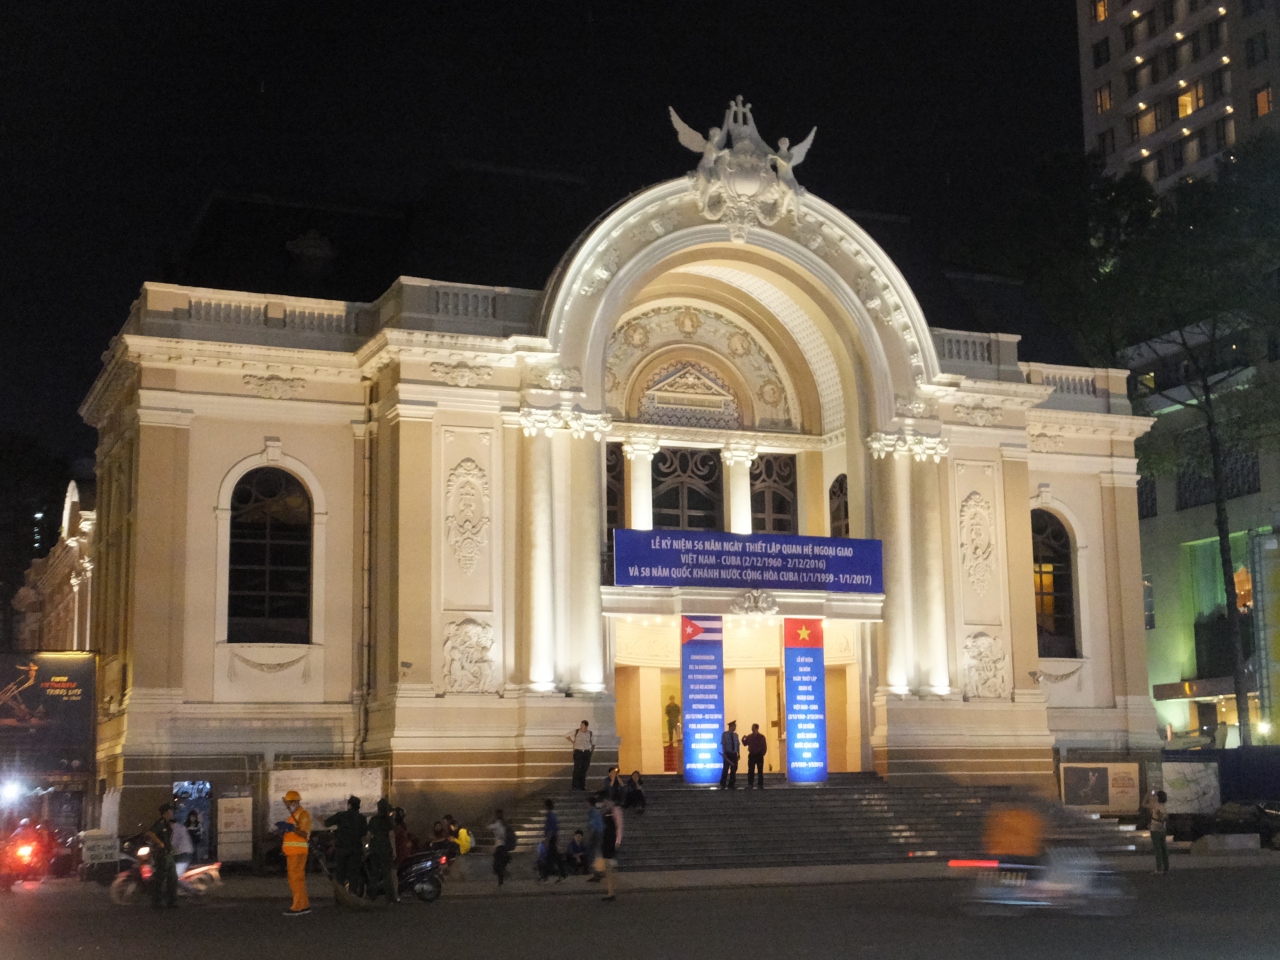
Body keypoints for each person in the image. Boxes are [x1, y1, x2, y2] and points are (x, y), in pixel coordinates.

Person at [278, 790, 312, 916]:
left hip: (298, 852)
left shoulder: (303, 814)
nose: (287, 805)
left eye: (288, 802)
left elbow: (304, 833)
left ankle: (298, 906)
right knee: (297, 879)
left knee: (296, 880)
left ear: (294, 802)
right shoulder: (294, 815)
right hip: (293, 851)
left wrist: (291, 828)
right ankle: (304, 905)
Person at [323, 796, 368, 892]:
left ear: (349, 805)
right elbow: (364, 835)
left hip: (342, 849)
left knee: (340, 874)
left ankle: (340, 895)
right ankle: (352, 896)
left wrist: (316, 818)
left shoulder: (341, 815)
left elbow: (326, 823)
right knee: (354, 875)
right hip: (356, 850)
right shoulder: (362, 818)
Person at [981, 802, 1046, 866]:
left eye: (1016, 833)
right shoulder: (982, 865)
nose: (1009, 840)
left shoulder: (1046, 868)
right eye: (1004, 831)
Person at [145, 803, 179, 908]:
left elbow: (170, 836)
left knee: (172, 878)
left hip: (168, 853)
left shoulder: (168, 824)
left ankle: (171, 901)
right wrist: (161, 844)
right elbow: (151, 833)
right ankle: (157, 902)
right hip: (162, 854)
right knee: (160, 878)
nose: (171, 813)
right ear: (165, 813)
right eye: (169, 812)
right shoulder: (160, 823)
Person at [367, 798, 397, 902]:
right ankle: (390, 898)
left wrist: (368, 845)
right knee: (386, 873)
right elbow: (391, 835)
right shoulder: (388, 820)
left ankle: (372, 896)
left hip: (375, 847)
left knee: (374, 873)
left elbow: (369, 834)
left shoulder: (373, 819)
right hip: (385, 847)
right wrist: (394, 850)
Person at [599, 795, 623, 902]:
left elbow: (619, 826)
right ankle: (610, 892)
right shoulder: (605, 810)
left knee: (609, 866)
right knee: (607, 866)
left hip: (611, 839)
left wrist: (618, 841)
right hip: (606, 838)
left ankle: (611, 892)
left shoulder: (615, 810)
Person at [538, 798, 566, 881]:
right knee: (554, 857)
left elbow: (550, 830)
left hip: (551, 838)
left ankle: (546, 876)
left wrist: (547, 840)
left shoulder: (550, 816)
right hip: (553, 838)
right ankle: (561, 874)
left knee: (551, 857)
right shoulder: (552, 816)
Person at [1143, 789, 1170, 874]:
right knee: (1163, 848)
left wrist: (1147, 795)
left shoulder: (1155, 805)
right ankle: (1166, 867)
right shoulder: (1164, 806)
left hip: (1155, 829)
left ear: (1158, 797)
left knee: (1157, 849)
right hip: (1163, 829)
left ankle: (1159, 869)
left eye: (1155, 796)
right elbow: (1165, 817)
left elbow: (1143, 804)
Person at [489, 809, 515, 886]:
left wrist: (491, 820)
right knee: (500, 864)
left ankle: (502, 877)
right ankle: (501, 879)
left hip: (500, 846)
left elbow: (488, 827)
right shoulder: (505, 824)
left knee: (496, 865)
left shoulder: (497, 824)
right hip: (504, 846)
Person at [567, 720, 595, 790]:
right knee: (577, 769)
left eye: (582, 725)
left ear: (586, 726)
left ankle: (582, 786)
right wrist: (573, 742)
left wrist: (591, 752)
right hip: (578, 751)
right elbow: (566, 735)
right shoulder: (576, 731)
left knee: (584, 769)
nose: (581, 726)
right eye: (581, 725)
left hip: (586, 751)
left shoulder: (590, 733)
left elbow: (593, 743)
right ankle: (575, 786)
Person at [585, 794, 605, 883]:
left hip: (596, 833)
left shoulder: (591, 811)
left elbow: (593, 824)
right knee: (597, 852)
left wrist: (590, 834)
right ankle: (598, 872)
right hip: (600, 832)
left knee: (593, 853)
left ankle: (597, 872)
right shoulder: (596, 811)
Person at [742, 722, 768, 789]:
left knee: (760, 770)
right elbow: (745, 744)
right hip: (752, 755)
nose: (752, 729)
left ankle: (760, 784)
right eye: (752, 728)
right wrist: (743, 739)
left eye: (753, 728)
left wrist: (762, 754)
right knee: (751, 770)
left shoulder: (761, 737)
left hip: (759, 755)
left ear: (757, 728)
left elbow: (764, 746)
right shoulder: (749, 736)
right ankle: (750, 784)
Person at [170, 808, 194, 878]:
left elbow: (173, 843)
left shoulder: (175, 829)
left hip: (183, 855)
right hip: (183, 853)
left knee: (176, 877)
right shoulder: (179, 827)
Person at [719, 720, 741, 789]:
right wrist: (724, 753)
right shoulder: (725, 734)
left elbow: (737, 745)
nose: (735, 727)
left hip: (734, 754)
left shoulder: (735, 735)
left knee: (734, 769)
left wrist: (738, 753)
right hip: (727, 753)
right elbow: (724, 744)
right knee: (725, 769)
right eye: (734, 726)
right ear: (731, 726)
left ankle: (731, 784)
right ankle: (723, 784)